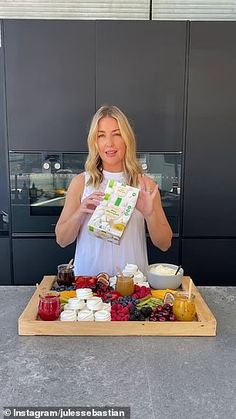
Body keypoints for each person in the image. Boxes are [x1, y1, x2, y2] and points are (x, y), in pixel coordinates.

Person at [55, 105, 172, 276]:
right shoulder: (81, 183)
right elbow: (62, 240)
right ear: (95, 142)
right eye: (101, 135)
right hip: (88, 287)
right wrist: (80, 212)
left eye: (116, 134)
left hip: (133, 287)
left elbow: (165, 243)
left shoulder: (146, 185)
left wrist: (150, 214)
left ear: (127, 139)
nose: (109, 143)